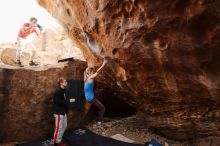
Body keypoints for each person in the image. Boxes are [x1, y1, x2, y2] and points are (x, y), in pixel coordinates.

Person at [84, 58, 107, 126]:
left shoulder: (85, 77)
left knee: (101, 91)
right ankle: (99, 122)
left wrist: (89, 64)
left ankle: (102, 98)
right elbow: (97, 72)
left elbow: (86, 71)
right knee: (102, 108)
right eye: (92, 72)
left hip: (89, 95)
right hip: (91, 98)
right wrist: (104, 63)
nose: (93, 72)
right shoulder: (90, 78)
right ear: (90, 73)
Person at [53, 77, 75, 146]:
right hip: (59, 113)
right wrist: (69, 101)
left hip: (63, 112)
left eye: (66, 81)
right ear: (61, 83)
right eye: (65, 82)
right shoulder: (58, 92)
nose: (66, 83)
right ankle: (56, 143)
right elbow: (58, 102)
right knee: (58, 128)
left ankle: (59, 140)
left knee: (64, 126)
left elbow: (63, 100)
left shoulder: (64, 91)